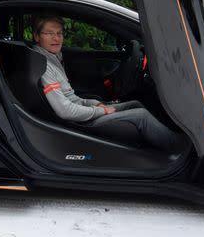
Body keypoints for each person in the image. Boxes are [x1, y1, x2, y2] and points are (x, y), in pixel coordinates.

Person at [30, 13, 185, 152]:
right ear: (37, 36)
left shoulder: (52, 57)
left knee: (134, 104)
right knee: (141, 115)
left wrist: (94, 103)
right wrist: (101, 111)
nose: (56, 38)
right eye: (49, 33)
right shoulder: (43, 65)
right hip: (78, 124)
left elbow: (71, 97)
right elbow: (65, 111)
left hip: (81, 114)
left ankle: (158, 140)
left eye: (59, 33)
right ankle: (179, 148)